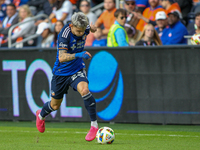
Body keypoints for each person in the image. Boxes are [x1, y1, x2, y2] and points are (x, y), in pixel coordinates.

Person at [36, 12, 99, 142]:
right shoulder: (64, 34)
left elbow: (90, 29)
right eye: (78, 31)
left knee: (85, 90)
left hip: (77, 69)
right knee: (54, 106)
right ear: (71, 26)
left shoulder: (83, 28)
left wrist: (92, 29)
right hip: (61, 72)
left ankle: (94, 126)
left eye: (83, 31)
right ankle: (41, 115)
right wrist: (79, 54)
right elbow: (62, 57)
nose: (81, 33)